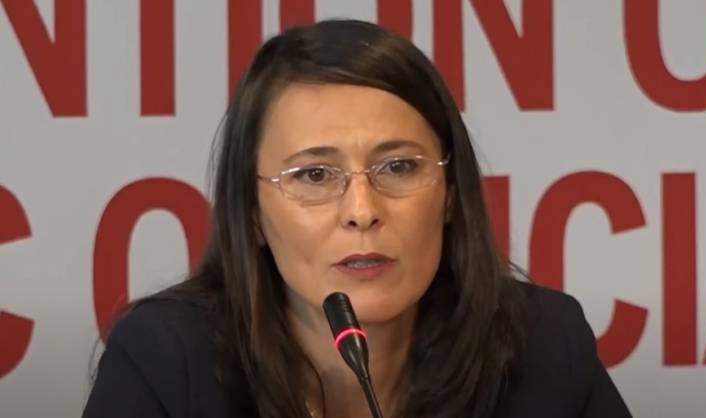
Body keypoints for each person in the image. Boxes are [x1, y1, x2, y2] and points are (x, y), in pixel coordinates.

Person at [82, 19, 632, 418]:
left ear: (449, 196)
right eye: (314, 175)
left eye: (399, 166)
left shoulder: (544, 348)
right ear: (250, 214)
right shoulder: (167, 364)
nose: (363, 212)